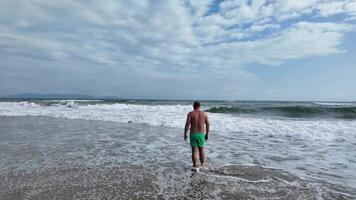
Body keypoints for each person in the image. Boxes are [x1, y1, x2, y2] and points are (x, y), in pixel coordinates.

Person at [184, 101, 210, 171]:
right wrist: (207, 134)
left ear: (193, 106)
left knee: (194, 151)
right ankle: (202, 165)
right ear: (199, 106)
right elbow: (208, 124)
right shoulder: (204, 114)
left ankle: (195, 166)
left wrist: (185, 134)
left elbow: (187, 124)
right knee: (201, 150)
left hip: (193, 134)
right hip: (201, 135)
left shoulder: (190, 114)